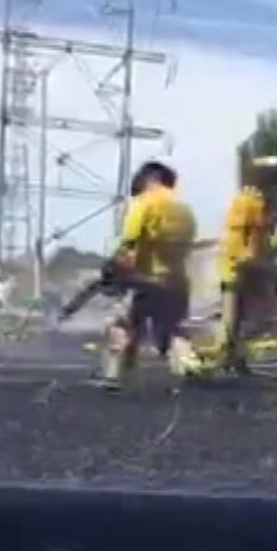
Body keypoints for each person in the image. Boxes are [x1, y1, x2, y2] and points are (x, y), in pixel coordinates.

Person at [100, 159, 200, 388]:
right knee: (174, 330)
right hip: (177, 281)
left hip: (145, 280)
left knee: (123, 324)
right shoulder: (185, 209)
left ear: (149, 179)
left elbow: (129, 243)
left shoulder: (145, 204)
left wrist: (114, 270)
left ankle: (116, 376)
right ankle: (189, 364)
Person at [216, 154, 277, 375]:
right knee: (232, 320)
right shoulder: (244, 201)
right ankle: (226, 362)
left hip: (258, 267)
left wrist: (273, 266)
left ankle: (237, 357)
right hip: (237, 268)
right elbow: (235, 240)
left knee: (259, 318)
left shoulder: (269, 203)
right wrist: (250, 263)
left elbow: (269, 240)